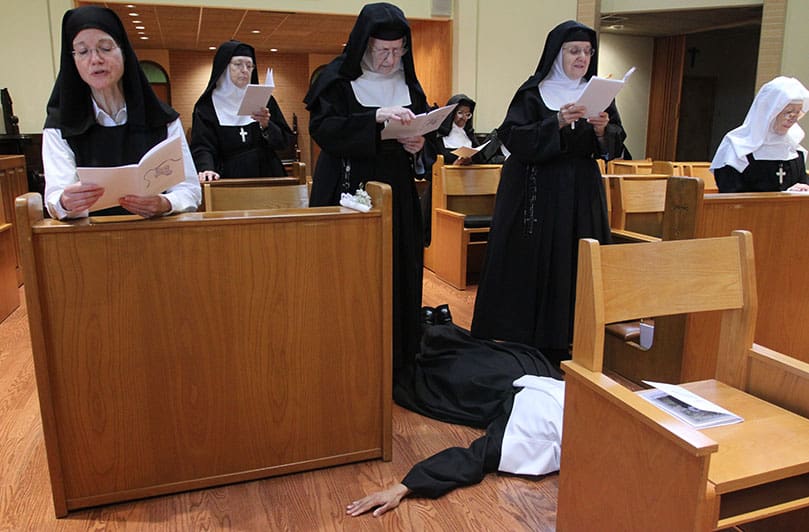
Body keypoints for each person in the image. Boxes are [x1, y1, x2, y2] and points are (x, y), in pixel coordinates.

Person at [470, 20, 626, 367]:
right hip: (537, 190)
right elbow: (512, 137)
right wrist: (555, 121)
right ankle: (527, 335)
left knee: (576, 255)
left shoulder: (599, 93)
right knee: (538, 256)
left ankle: (574, 334)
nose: (582, 57)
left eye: (587, 51)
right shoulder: (532, 93)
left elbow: (614, 145)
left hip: (581, 191)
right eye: (574, 51)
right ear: (557, 55)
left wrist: (604, 131)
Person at [304, 2, 428, 373]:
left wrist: (419, 144)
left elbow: (424, 131)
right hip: (346, 185)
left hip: (398, 190)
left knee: (397, 266)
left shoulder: (408, 82)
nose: (391, 60)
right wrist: (374, 118)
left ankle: (398, 348)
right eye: (381, 51)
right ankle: (341, 348)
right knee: (347, 273)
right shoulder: (336, 79)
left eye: (397, 50)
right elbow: (323, 130)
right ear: (363, 46)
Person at [42, 5, 200, 220]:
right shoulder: (60, 125)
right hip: (89, 241)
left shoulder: (162, 119)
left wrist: (165, 203)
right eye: (82, 51)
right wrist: (65, 202)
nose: (95, 59)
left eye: (105, 48)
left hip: (157, 235)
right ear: (73, 61)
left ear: (123, 51)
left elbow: (190, 190)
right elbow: (55, 197)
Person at [349, 367, 564, 517]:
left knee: (433, 387)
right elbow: (473, 459)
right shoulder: (540, 434)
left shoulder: (535, 437)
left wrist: (404, 487)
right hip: (533, 394)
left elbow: (471, 459)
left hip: (530, 396)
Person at [191, 40, 294, 182]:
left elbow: (285, 142)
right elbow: (203, 146)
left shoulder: (265, 100)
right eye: (238, 64)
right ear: (224, 67)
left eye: (249, 65)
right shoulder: (206, 106)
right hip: (228, 177)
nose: (245, 70)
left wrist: (267, 125)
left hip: (267, 174)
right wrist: (206, 168)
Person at [710, 76, 809, 193]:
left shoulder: (794, 151)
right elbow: (730, 197)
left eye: (797, 113)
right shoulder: (737, 149)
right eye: (788, 112)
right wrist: (782, 197)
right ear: (768, 111)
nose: (792, 119)